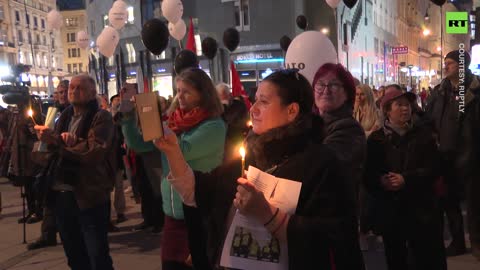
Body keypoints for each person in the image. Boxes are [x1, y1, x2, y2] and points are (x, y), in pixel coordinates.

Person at [153, 70, 364, 270]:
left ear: (292, 111)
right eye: (255, 100)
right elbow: (200, 193)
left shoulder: (322, 165)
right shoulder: (250, 155)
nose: (253, 109)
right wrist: (173, 151)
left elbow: (335, 241)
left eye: (263, 102)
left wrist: (267, 213)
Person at [121, 68, 226, 270]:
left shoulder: (214, 126)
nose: (180, 96)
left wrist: (160, 128)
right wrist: (128, 118)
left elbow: (182, 151)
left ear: (203, 93)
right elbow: (141, 145)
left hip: (199, 214)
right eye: (178, 90)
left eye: (186, 91)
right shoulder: (173, 122)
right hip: (171, 215)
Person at [34, 74, 115, 270]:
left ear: (92, 92)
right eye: (71, 87)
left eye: (79, 88)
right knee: (75, 256)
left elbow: (93, 151)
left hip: (89, 196)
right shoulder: (61, 116)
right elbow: (43, 155)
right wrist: (43, 142)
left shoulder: (101, 116)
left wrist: (59, 142)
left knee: (98, 257)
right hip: (62, 195)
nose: (73, 91)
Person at [365, 87, 446, 270]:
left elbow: (434, 169)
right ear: (387, 110)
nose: (405, 109)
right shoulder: (376, 140)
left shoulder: (424, 136)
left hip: (420, 211)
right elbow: (368, 174)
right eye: (399, 105)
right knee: (395, 258)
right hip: (391, 211)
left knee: (423, 257)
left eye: (408, 105)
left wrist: (406, 179)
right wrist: (381, 181)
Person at [426, 49, 480, 259]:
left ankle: (476, 242)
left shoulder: (475, 90)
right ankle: (457, 242)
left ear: (462, 66)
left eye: (449, 63)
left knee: (474, 205)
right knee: (450, 204)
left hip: (471, 155)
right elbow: (430, 118)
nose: (445, 66)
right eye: (445, 63)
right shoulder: (440, 91)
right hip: (445, 157)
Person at [312, 63, 366, 199]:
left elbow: (320, 167)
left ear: (347, 94)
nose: (326, 90)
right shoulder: (311, 124)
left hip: (333, 210)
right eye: (320, 84)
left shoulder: (350, 129)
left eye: (334, 85)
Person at [28, 80, 70, 250]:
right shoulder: (54, 111)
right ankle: (48, 234)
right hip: (51, 159)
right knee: (48, 197)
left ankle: (63, 232)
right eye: (59, 92)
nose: (61, 95)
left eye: (64, 91)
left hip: (66, 159)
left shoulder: (73, 112)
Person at [216, 83, 249, 163]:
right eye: (220, 96)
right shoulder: (216, 108)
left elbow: (238, 124)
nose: (223, 99)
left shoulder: (239, 106)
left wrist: (225, 107)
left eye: (225, 95)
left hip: (236, 142)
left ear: (230, 95)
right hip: (221, 146)